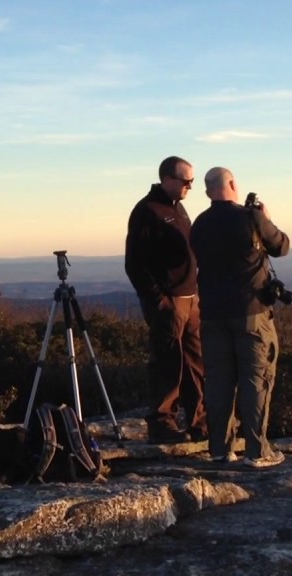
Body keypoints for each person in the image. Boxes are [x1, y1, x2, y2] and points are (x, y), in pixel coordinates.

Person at [190, 166, 290, 468]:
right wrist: (265, 217)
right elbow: (281, 246)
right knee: (255, 379)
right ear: (232, 184)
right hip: (251, 313)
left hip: (211, 313)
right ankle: (257, 452)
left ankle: (220, 449)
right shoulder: (250, 218)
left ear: (208, 191)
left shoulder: (200, 224)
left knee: (219, 381)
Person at [124, 156, 206, 444]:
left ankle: (200, 423)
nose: (190, 187)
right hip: (169, 301)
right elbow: (135, 264)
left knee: (195, 361)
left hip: (191, 298)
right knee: (167, 361)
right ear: (167, 179)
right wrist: (160, 301)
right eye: (186, 181)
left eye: (192, 182)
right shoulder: (147, 211)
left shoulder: (178, 209)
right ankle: (162, 423)